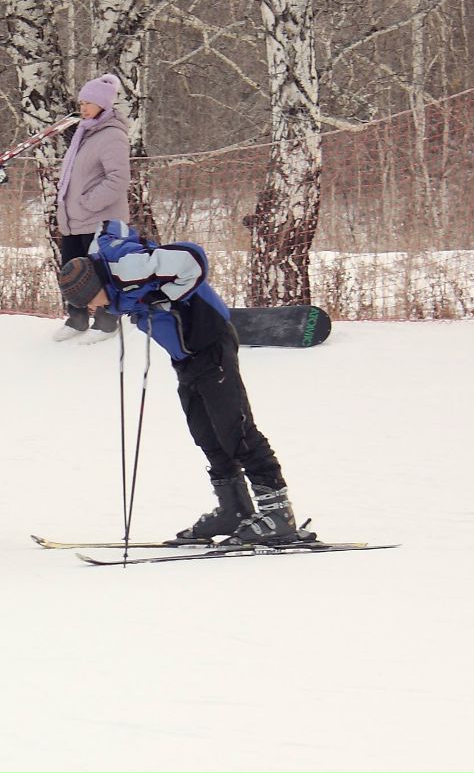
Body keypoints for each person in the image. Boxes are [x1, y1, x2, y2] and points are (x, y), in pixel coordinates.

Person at [55, 219, 306, 544]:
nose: (91, 308)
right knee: (205, 432)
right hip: (185, 354)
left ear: (94, 285)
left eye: (89, 301)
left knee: (235, 429)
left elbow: (193, 259)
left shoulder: (127, 268)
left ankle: (278, 513)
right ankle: (234, 508)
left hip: (209, 341)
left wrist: (163, 295)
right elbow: (110, 230)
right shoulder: (108, 279)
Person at [52, 73, 131, 344]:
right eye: (81, 103)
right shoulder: (85, 133)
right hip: (75, 219)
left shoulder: (112, 135)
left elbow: (118, 179)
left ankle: (107, 321)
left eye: (89, 103)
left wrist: (87, 203)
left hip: (99, 219)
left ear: (103, 104)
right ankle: (77, 318)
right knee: (71, 271)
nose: (83, 108)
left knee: (101, 271)